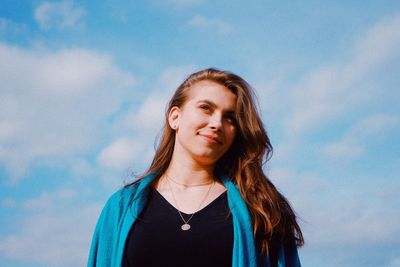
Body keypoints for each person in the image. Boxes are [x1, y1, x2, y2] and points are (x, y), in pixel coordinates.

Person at [87, 68, 304, 267]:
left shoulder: (261, 208)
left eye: (230, 118)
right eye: (206, 108)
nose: (217, 123)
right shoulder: (120, 207)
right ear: (175, 117)